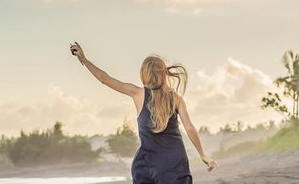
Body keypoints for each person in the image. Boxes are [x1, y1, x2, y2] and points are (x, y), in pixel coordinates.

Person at [69, 42, 217, 184]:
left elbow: (105, 79)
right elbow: (189, 128)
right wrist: (203, 155)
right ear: (164, 73)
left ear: (144, 74)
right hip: (173, 166)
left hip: (145, 165)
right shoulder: (176, 99)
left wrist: (83, 59)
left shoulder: (138, 94)